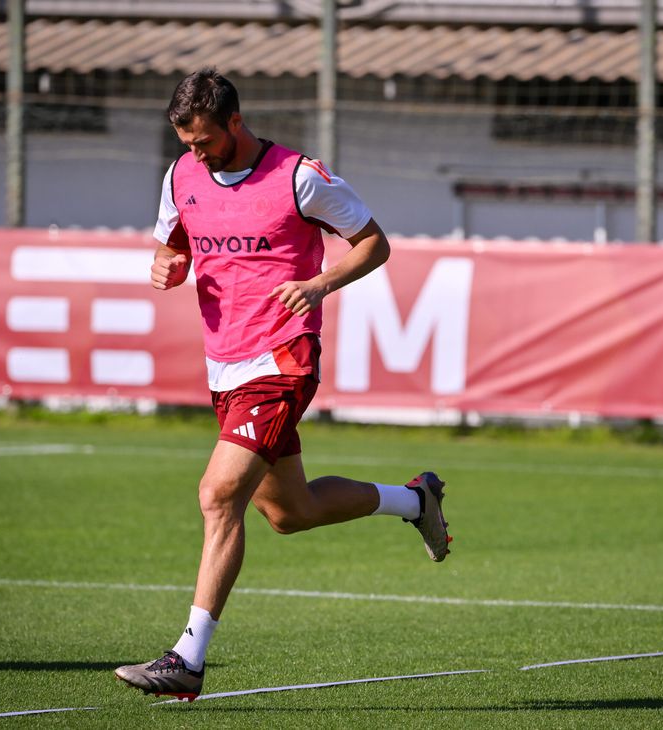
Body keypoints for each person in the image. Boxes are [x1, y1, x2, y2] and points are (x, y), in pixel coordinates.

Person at [114, 68, 451, 702]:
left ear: (235, 123)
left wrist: (320, 285)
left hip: (282, 361)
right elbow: (177, 245)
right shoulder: (180, 175)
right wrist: (169, 263)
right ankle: (416, 501)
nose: (195, 152)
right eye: (185, 142)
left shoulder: (298, 176)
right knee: (289, 513)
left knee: (218, 496)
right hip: (225, 365)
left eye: (204, 139)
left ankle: (187, 658)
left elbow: (374, 244)